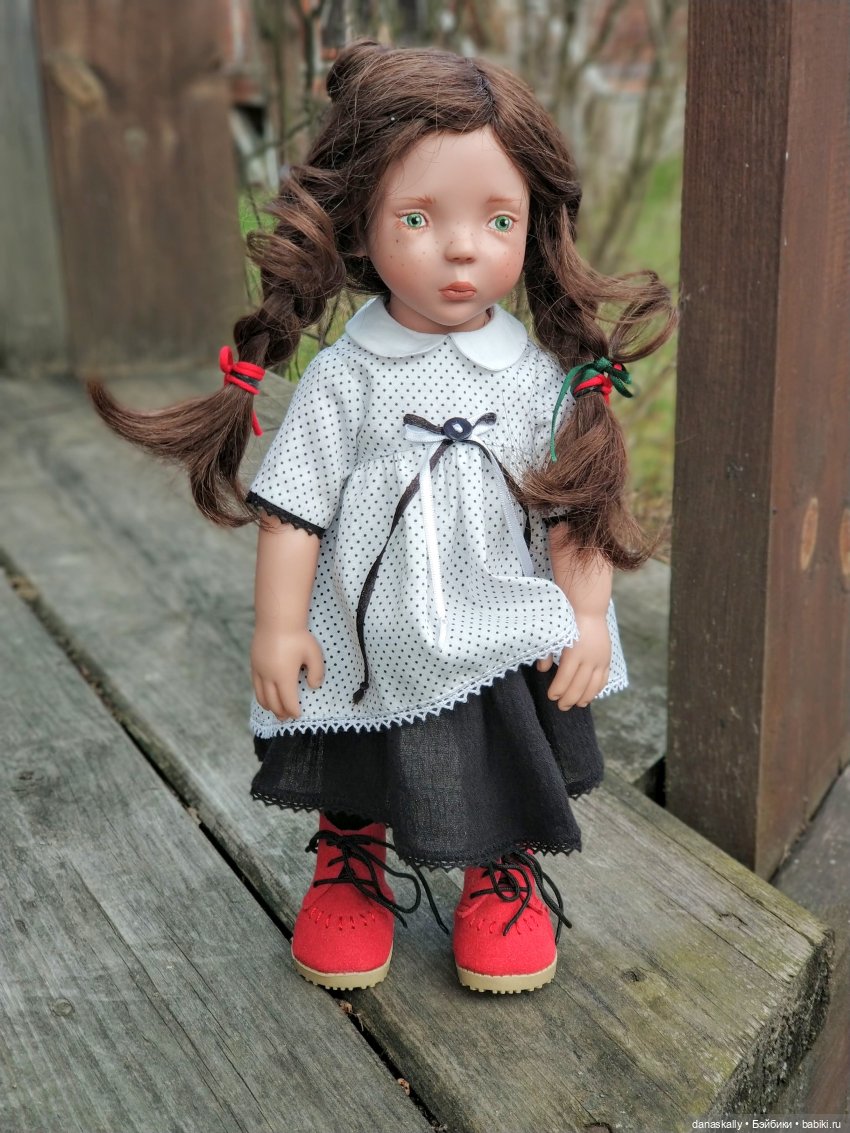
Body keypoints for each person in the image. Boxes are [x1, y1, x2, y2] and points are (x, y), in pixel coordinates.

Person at [90, 39, 676, 996]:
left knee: (500, 742)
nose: (462, 247)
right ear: (359, 226)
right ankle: (351, 853)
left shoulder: (539, 381)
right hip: (369, 626)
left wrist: (586, 613)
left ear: (534, 226)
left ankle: (500, 862)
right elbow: (293, 510)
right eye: (419, 217)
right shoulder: (346, 377)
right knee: (356, 746)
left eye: (498, 219)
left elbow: (578, 505)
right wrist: (279, 625)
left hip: (495, 620)